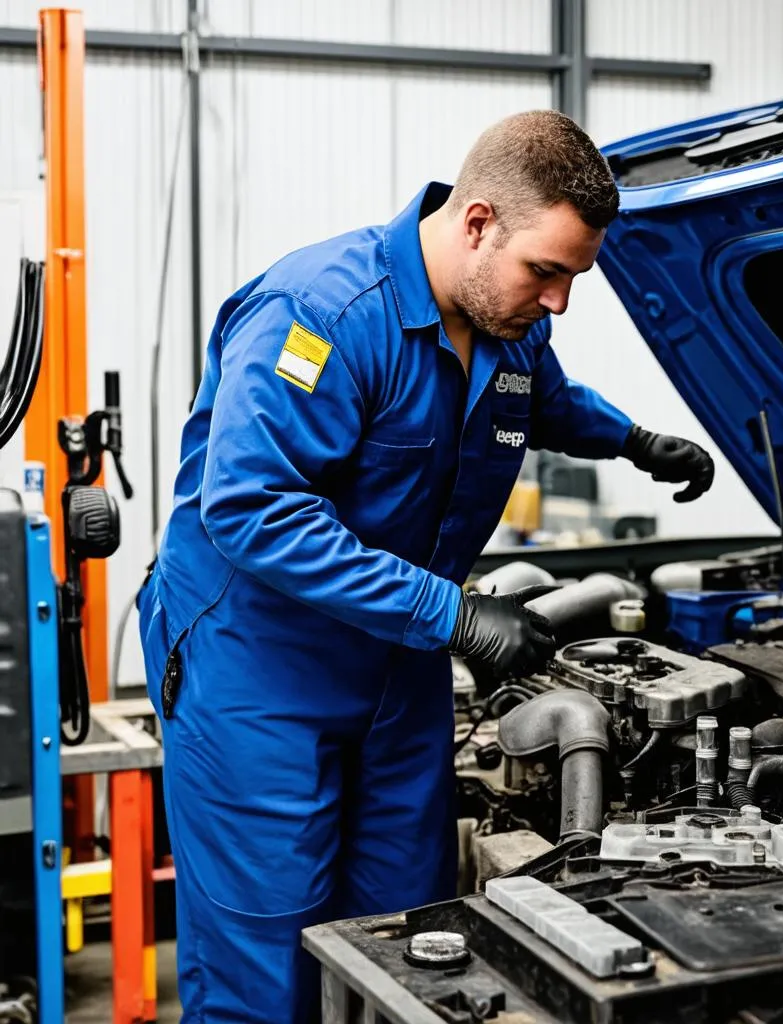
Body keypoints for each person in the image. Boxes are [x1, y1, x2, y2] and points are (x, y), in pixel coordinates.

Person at [138, 109, 714, 1023]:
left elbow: (545, 401)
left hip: (397, 657)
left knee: (414, 934)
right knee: (270, 958)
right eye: (548, 271)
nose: (559, 301)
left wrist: (638, 441)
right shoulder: (320, 315)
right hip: (259, 667)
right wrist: (456, 615)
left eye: (575, 278)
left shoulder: (511, 323)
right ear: (478, 222)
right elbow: (252, 510)